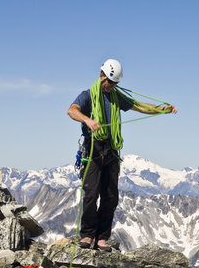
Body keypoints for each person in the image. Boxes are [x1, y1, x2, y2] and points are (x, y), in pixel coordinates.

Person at [67, 59, 177, 251]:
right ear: (102, 76)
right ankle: (87, 235)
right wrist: (88, 120)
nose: (112, 86)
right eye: (110, 82)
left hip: (111, 151)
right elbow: (72, 110)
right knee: (91, 194)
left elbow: (139, 106)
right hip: (92, 149)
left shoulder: (117, 96)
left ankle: (102, 237)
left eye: (115, 83)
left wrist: (161, 110)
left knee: (110, 196)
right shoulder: (87, 96)